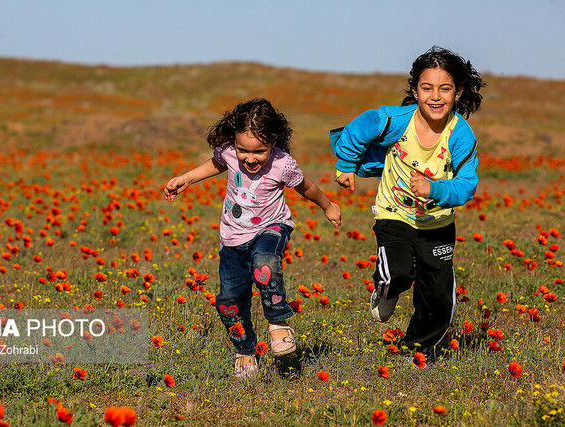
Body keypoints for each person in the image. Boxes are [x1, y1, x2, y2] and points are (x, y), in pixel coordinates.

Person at [165, 98, 341, 377]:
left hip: (271, 227)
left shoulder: (283, 164)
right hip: (232, 237)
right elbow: (216, 163)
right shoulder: (230, 153)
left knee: (265, 265)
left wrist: (328, 205)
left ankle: (279, 323)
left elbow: (306, 186)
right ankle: (245, 351)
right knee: (230, 303)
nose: (249, 158)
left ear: (273, 141)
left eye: (259, 151)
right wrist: (187, 178)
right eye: (242, 150)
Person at [330, 46, 485, 363]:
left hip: (437, 224)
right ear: (415, 90)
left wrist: (436, 189)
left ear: (458, 92)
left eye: (445, 88)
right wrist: (346, 165)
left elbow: (467, 184)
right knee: (398, 271)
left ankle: (414, 349)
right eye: (427, 88)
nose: (436, 96)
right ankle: (385, 290)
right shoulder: (396, 120)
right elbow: (358, 129)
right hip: (394, 215)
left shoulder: (460, 135)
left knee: (438, 297)